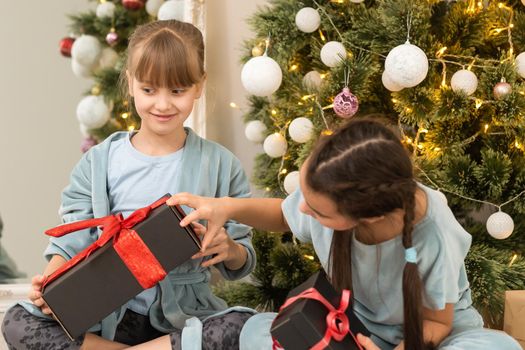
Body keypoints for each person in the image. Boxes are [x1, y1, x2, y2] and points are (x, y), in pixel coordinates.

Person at [2, 19, 256, 350]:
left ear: (199, 85)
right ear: (131, 82)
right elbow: (71, 239)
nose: (163, 104)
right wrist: (52, 286)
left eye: (177, 91)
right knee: (19, 320)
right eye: (149, 90)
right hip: (105, 316)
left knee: (242, 326)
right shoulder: (98, 162)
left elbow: (242, 260)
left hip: (181, 320)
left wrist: (230, 249)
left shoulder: (221, 165)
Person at [167, 117, 522, 350]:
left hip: (431, 338)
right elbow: (283, 214)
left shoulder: (433, 231)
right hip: (352, 330)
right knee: (244, 333)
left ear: (368, 217)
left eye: (318, 211)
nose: (303, 210)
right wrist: (227, 207)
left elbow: (435, 322)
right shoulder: (329, 186)